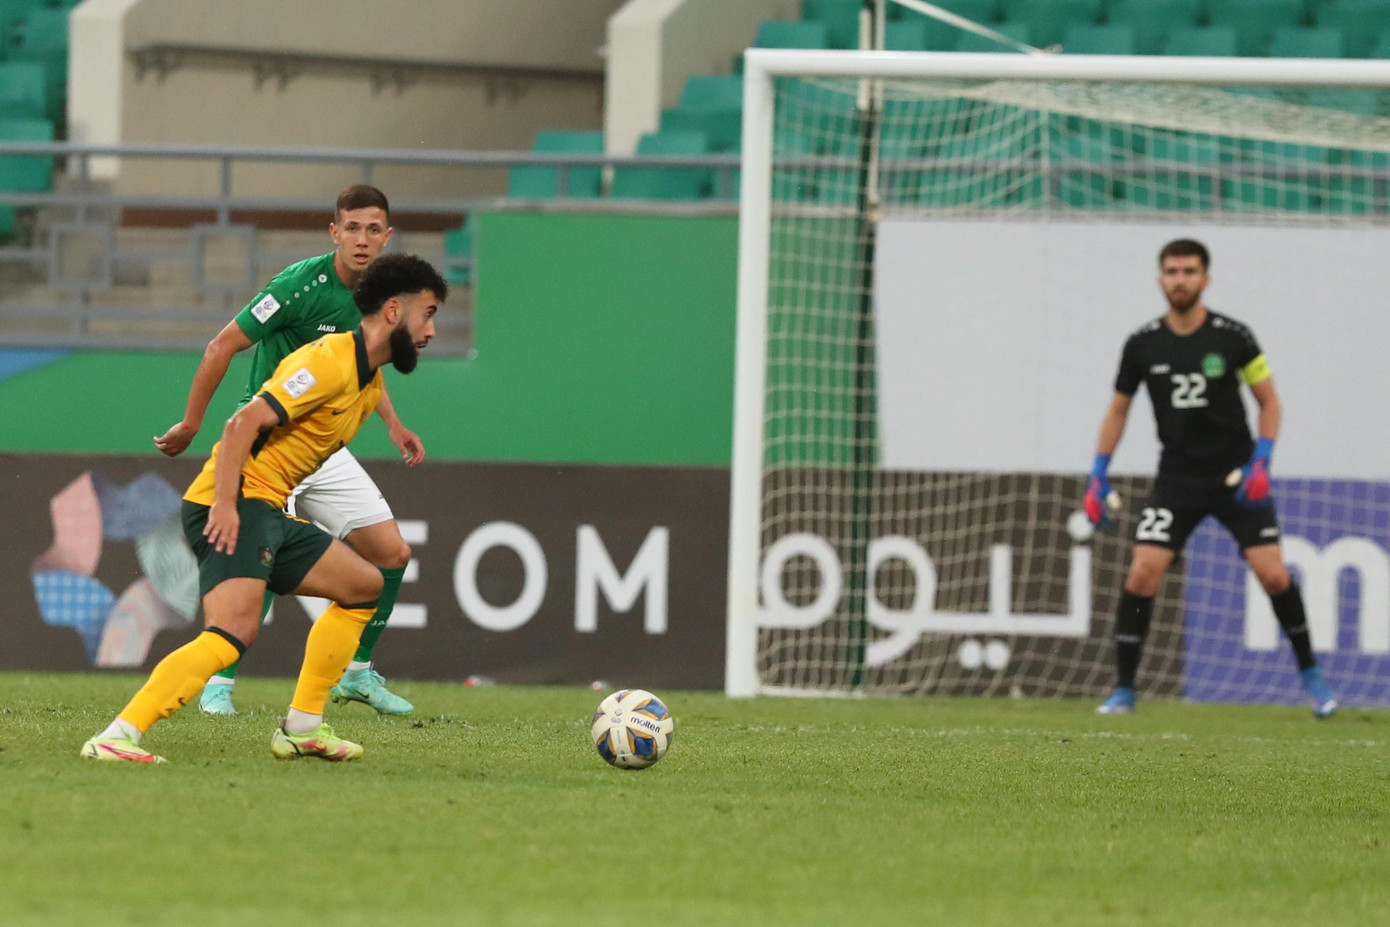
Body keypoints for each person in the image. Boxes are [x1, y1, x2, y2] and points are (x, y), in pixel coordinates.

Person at [81, 254, 447, 763]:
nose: (432, 329)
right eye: (427, 313)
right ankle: (117, 735)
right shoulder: (327, 362)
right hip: (231, 501)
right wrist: (227, 506)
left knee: (363, 586)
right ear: (392, 311)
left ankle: (302, 728)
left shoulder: (370, 380)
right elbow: (240, 426)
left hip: (266, 506)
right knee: (232, 633)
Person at [154, 184, 420, 716]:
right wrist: (191, 422)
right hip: (270, 443)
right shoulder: (299, 286)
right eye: (352, 228)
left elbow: (365, 365)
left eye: (373, 230)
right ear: (334, 232)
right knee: (263, 553)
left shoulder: (379, 298)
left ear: (387, 237)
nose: (362, 240)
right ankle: (218, 684)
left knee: (392, 554)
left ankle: (358, 674)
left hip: (322, 448)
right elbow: (221, 346)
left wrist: (393, 424)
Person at [1084, 238, 1337, 718]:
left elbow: (1270, 402)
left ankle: (1312, 676)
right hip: (1177, 479)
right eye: (1172, 271)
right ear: (1160, 278)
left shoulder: (1234, 337)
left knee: (1273, 573)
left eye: (1190, 271)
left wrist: (1262, 459)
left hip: (1236, 477)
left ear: (1206, 278)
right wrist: (1098, 472)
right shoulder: (1141, 344)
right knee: (1142, 571)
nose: (1180, 279)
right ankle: (1123, 690)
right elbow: (1119, 409)